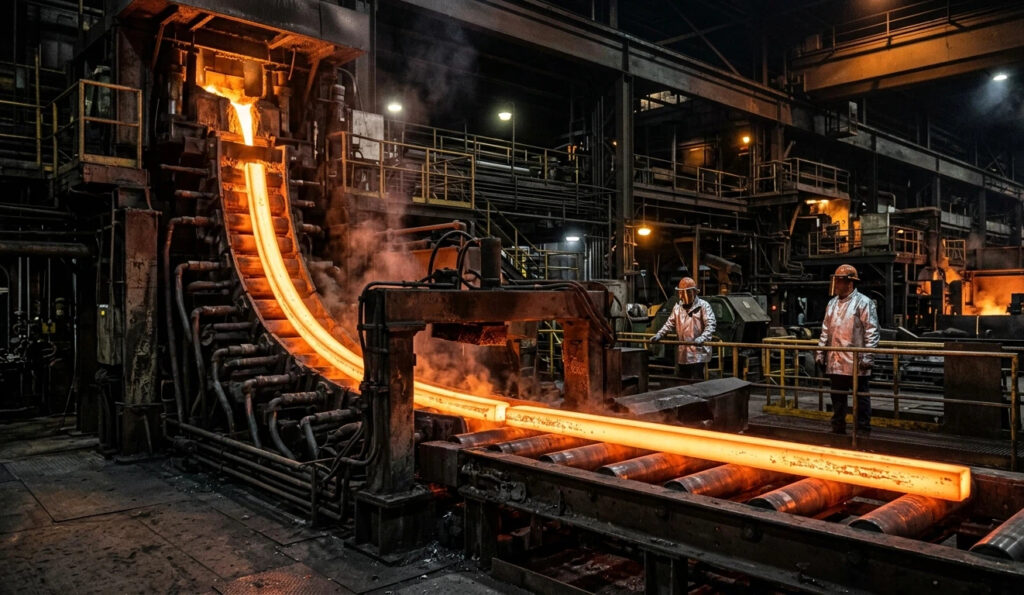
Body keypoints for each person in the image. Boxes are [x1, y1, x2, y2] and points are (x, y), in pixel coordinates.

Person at [815, 264, 880, 435]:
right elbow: (826, 331)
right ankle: (838, 427)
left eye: (839, 281)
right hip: (836, 361)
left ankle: (863, 429)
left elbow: (872, 331)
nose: (836, 285)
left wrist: (868, 357)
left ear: (850, 283)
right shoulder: (832, 304)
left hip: (856, 362)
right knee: (837, 397)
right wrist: (821, 352)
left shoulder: (863, 303)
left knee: (861, 397)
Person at [651, 277, 717, 381]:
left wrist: (702, 338)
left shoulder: (704, 306)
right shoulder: (677, 308)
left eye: (686, 292)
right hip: (683, 353)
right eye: (681, 292)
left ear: (694, 292)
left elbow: (710, 325)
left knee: (697, 382)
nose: (683, 295)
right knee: (683, 382)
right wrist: (659, 334)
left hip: (698, 354)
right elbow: (669, 323)